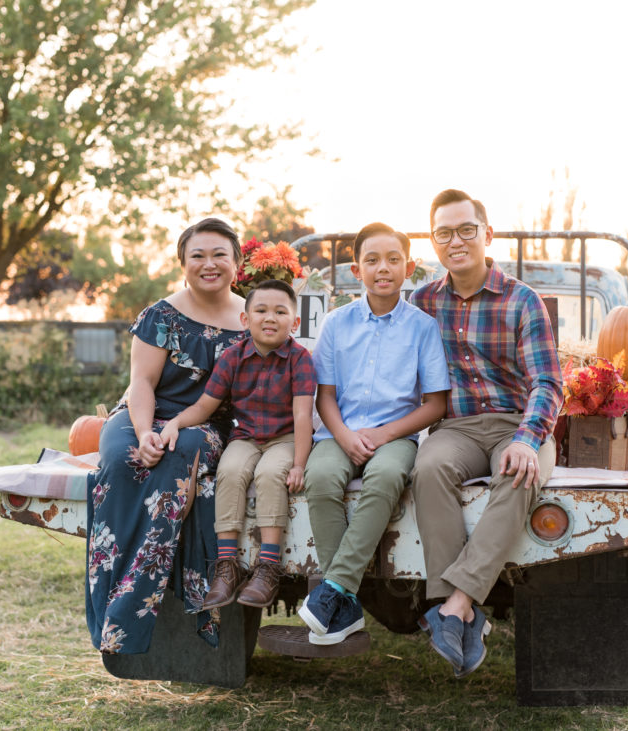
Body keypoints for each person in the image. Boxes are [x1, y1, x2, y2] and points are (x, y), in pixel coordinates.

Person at [409, 189, 564, 678]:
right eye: (443, 233)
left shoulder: (522, 300)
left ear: (486, 234)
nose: (455, 241)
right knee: (428, 467)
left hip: (517, 424)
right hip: (455, 426)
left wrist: (527, 438)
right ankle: (462, 615)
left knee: (520, 471)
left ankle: (454, 605)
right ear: (434, 242)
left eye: (465, 230)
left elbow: (547, 381)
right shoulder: (423, 301)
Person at [85, 217, 247, 655]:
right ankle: (106, 603)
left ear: (237, 262)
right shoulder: (161, 315)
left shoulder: (253, 320)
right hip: (141, 413)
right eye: (198, 255)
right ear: (182, 263)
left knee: (181, 453)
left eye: (219, 255)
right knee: (122, 461)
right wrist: (142, 433)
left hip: (206, 427)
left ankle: (126, 620)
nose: (209, 264)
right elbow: (141, 383)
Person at [299, 222, 450, 646]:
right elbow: (324, 396)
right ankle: (343, 604)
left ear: (410, 267)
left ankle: (334, 590)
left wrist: (383, 435)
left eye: (393, 259)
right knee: (323, 478)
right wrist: (345, 437)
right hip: (338, 433)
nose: (383, 268)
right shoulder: (336, 323)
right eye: (372, 260)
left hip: (397, 435)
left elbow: (434, 404)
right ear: (355, 270)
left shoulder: (423, 327)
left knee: (385, 478)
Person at [159, 279, 317, 610]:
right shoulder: (233, 357)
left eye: (280, 311)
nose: (270, 318)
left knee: (272, 474)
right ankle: (227, 567)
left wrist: (300, 463)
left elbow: (303, 417)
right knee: (229, 471)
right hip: (245, 436)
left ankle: (267, 567)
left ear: (295, 322)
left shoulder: (300, 359)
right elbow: (205, 406)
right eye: (260, 310)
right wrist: (175, 422)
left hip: (285, 438)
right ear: (245, 320)